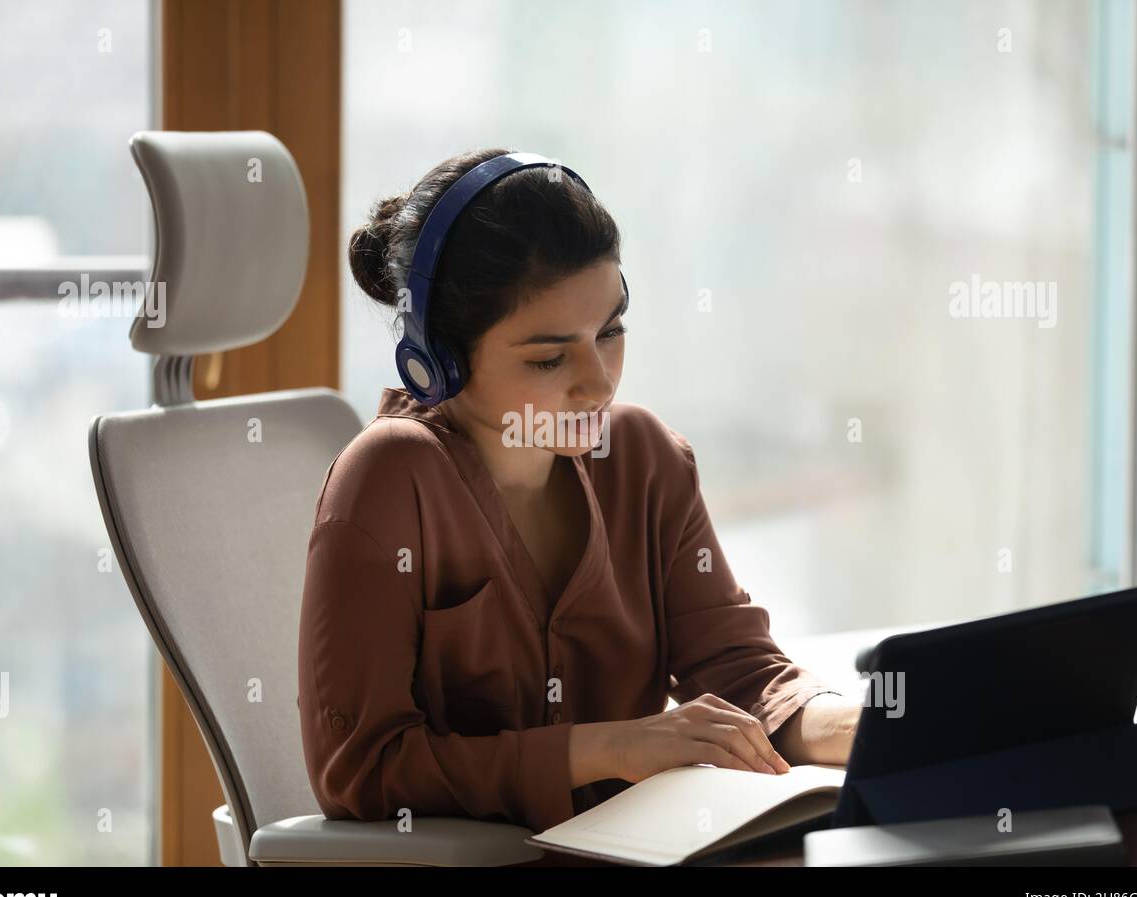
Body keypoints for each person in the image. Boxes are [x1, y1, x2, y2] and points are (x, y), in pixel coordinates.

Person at [297, 147, 861, 833]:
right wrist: (608, 747)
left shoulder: (644, 458)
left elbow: (739, 671)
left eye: (611, 330)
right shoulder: (388, 479)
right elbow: (360, 771)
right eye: (549, 357)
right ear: (437, 358)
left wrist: (866, 725)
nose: (598, 381)